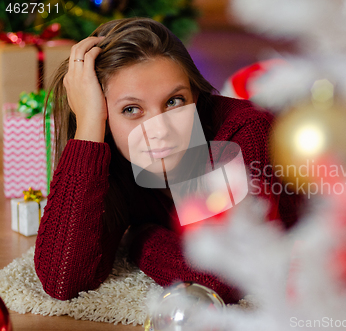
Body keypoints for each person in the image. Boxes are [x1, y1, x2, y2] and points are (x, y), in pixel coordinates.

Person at [34, 17, 302, 304]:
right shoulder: (115, 156)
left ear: (195, 96)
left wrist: (141, 238)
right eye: (132, 109)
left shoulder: (244, 131)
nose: (160, 129)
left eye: (174, 101)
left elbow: (223, 277)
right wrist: (88, 126)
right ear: (104, 116)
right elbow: (62, 280)